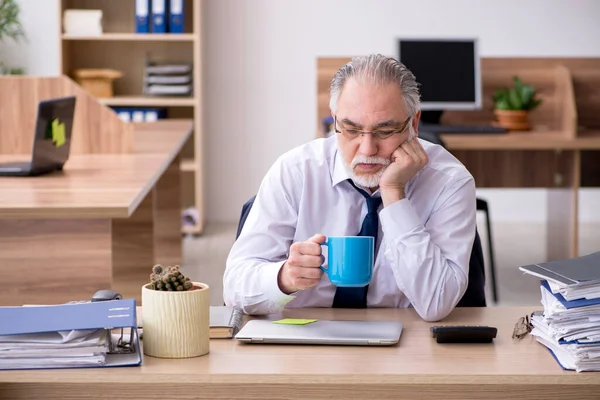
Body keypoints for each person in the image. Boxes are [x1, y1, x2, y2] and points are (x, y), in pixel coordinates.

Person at [223, 54, 477, 322]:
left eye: (385, 131)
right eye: (351, 129)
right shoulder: (296, 171)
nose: (367, 149)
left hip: (405, 344)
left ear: (413, 124)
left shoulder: (449, 181)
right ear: (334, 120)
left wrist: (393, 193)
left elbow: (437, 302)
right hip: (304, 341)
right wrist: (284, 276)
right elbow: (235, 286)